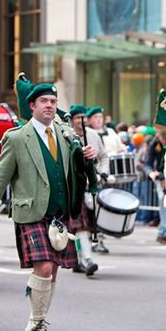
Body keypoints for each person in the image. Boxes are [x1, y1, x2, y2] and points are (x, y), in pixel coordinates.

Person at [0, 84, 96, 331]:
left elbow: (79, 169)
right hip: (31, 213)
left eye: (53, 101)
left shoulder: (66, 135)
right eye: (44, 101)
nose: (50, 106)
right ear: (32, 106)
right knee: (43, 268)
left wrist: (87, 156)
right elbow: (0, 178)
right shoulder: (18, 138)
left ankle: (35, 326)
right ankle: (37, 324)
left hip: (59, 215)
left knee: (52, 272)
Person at [67, 104, 109, 276]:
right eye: (77, 118)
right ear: (72, 119)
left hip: (90, 186)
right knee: (79, 226)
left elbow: (103, 156)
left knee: (87, 225)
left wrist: (104, 173)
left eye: (83, 117)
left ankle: (79, 259)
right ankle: (86, 259)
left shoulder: (93, 135)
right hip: (73, 188)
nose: (81, 121)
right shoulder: (66, 135)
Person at [145, 125, 166, 244]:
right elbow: (147, 163)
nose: (161, 138)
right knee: (163, 201)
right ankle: (164, 232)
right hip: (160, 176)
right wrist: (152, 173)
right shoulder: (155, 144)